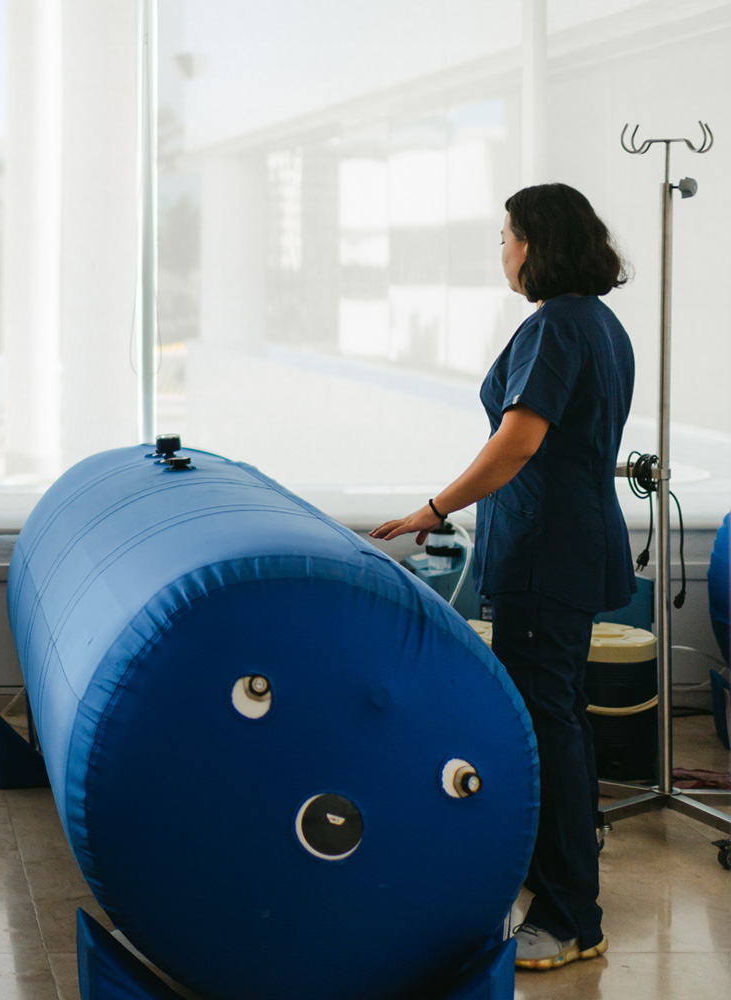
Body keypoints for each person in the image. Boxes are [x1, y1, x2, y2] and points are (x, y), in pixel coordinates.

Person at [371, 182, 634, 971]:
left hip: (547, 553)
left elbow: (519, 441)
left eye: (507, 236)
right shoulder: (599, 322)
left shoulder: (555, 325)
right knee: (558, 721)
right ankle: (561, 889)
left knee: (547, 729)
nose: (503, 251)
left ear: (536, 244)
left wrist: (433, 507)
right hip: (570, 546)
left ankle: (567, 918)